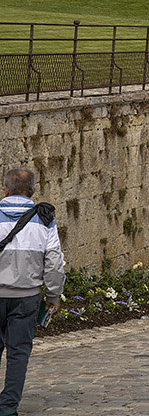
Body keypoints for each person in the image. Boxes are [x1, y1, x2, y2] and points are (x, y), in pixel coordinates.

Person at [0, 168, 64, 416]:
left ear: (5, 189)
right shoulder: (44, 218)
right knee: (18, 353)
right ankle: (7, 408)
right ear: (33, 191)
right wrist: (52, 295)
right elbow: (54, 261)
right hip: (26, 297)